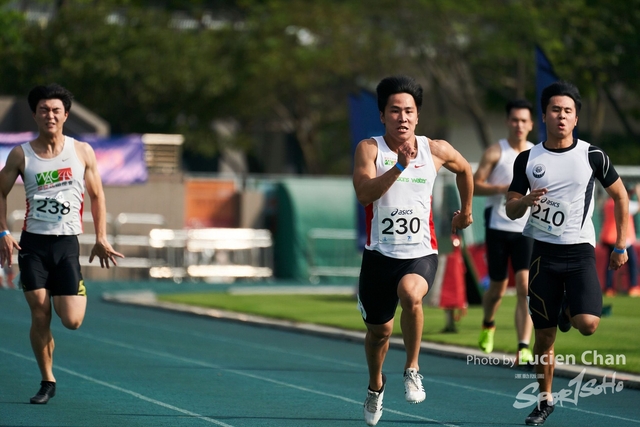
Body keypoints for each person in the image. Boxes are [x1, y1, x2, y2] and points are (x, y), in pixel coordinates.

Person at [506, 81, 629, 426]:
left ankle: (566, 309)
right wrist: (524, 202)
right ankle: (544, 401)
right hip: (542, 254)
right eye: (555, 110)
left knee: (588, 324)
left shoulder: (592, 156)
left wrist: (621, 244)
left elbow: (620, 197)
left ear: (576, 118)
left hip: (580, 253)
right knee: (543, 339)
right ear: (544, 115)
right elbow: (510, 208)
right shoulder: (528, 159)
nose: (561, 116)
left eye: (568, 111)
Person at [353, 75, 473, 426]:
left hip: (420, 252)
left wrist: (465, 212)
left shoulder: (435, 149)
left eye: (409, 111)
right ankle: (376, 385)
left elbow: (465, 169)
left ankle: (412, 368)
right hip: (379, 256)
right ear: (382, 116)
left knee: (411, 294)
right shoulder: (370, 149)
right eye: (394, 111)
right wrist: (400, 166)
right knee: (380, 332)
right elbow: (364, 193)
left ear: (417, 116)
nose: (402, 118)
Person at [0, 84, 124, 404]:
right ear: (34, 115)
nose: (50, 115)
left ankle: (73, 288)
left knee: (71, 320)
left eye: (56, 110)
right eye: (43, 109)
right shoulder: (20, 154)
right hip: (33, 246)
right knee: (40, 315)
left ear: (66, 115)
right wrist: (3, 233)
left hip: (67, 244)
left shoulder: (81, 151)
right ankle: (47, 380)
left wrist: (100, 237)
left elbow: (97, 196)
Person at [473, 99, 535, 364]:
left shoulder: (538, 153)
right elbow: (475, 185)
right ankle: (488, 323)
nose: (519, 125)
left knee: (525, 286)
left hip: (527, 228)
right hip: (498, 226)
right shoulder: (495, 152)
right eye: (514, 120)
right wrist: (505, 190)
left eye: (524, 120)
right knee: (497, 288)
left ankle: (523, 346)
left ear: (531, 124)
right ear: (508, 122)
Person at [599, 184, 640, 297]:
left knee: (611, 264)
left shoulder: (608, 203)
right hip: (622, 239)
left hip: (608, 236)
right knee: (632, 263)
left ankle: (608, 288)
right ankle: (633, 286)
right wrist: (638, 193)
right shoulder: (623, 203)